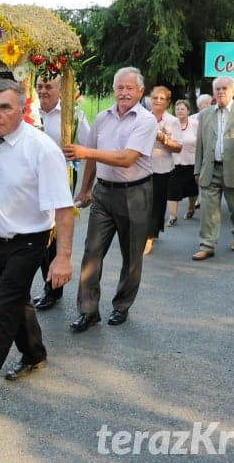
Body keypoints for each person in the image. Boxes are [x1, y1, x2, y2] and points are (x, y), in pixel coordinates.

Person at [0, 79, 74, 416]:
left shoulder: (42, 149)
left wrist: (63, 258)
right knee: (17, 303)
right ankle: (34, 353)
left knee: (1, 312)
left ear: (22, 109)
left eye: (4, 107)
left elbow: (64, 209)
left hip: (28, 242)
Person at [62, 67, 155, 332]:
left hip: (135, 193)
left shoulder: (146, 121)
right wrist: (85, 188)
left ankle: (121, 305)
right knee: (92, 251)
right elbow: (92, 158)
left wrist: (85, 151)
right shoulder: (102, 118)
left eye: (129, 88)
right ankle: (88, 311)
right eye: (119, 87)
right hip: (103, 193)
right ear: (114, 90)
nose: (124, 92)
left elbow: (126, 159)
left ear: (140, 91)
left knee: (131, 253)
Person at [32, 74, 91, 310]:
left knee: (54, 238)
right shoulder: (29, 111)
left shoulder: (72, 115)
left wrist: (76, 154)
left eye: (49, 86)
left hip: (59, 180)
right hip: (31, 182)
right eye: (40, 86)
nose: (43, 90)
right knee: (34, 234)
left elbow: (88, 146)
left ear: (60, 89)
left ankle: (53, 290)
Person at [192, 76, 234, 261]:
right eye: (218, 89)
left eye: (224, 88)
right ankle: (207, 245)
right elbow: (200, 145)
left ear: (233, 91)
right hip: (210, 170)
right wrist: (197, 169)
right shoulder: (205, 114)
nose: (221, 91)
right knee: (208, 211)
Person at [144, 86, 182, 255]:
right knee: (144, 201)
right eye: (155, 98)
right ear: (149, 100)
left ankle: (149, 237)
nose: (158, 101)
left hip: (162, 167)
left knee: (156, 202)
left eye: (161, 98)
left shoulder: (172, 121)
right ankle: (153, 229)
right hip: (143, 166)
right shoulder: (144, 118)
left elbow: (178, 147)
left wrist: (164, 139)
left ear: (167, 102)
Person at [166, 99, 199, 226]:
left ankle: (191, 208)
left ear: (188, 111)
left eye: (182, 109)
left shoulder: (195, 124)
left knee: (192, 190)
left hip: (191, 162)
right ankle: (172, 216)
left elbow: (200, 143)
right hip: (174, 163)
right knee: (172, 190)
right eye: (177, 109)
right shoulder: (170, 124)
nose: (179, 111)